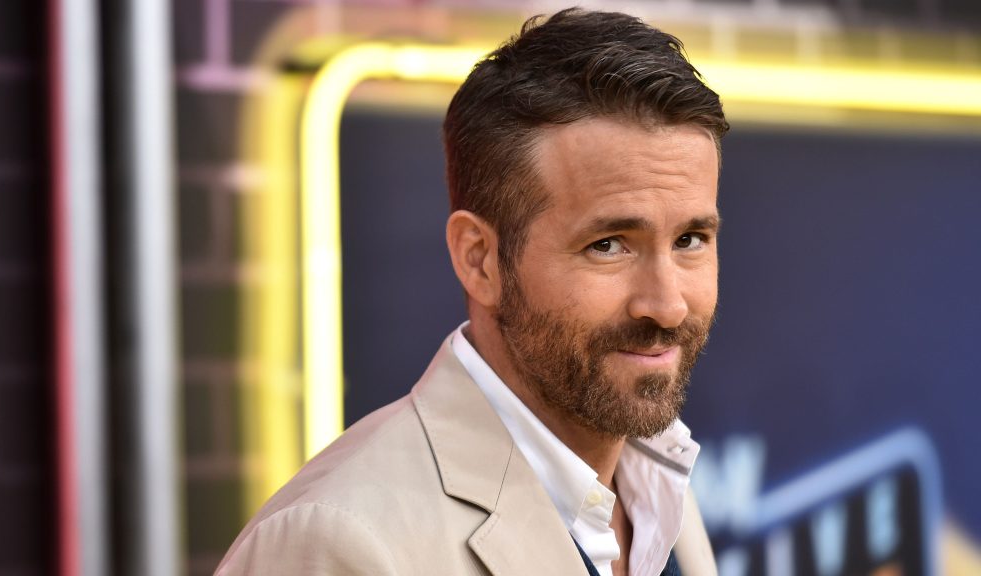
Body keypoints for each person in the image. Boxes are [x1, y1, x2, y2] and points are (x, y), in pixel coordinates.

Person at [216, 7, 728, 576]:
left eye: (690, 239)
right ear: (478, 259)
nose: (667, 305)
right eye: (608, 245)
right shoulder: (336, 542)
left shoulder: (660, 486)